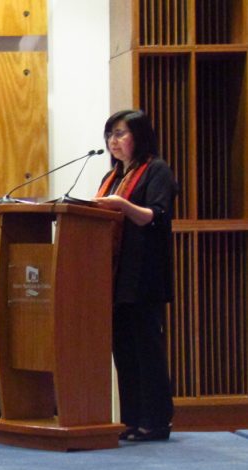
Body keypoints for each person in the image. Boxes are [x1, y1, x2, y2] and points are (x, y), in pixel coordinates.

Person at [93, 109, 178, 442]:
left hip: (143, 274)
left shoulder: (156, 170)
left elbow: (155, 217)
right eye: (110, 134)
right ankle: (131, 418)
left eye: (121, 133)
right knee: (124, 350)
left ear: (139, 136)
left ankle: (156, 421)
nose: (114, 140)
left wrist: (122, 206)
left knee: (147, 349)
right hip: (113, 276)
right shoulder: (112, 176)